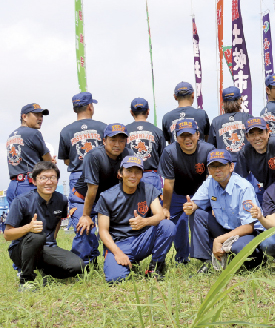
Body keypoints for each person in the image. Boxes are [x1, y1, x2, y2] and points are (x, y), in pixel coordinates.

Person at [5, 161, 83, 292]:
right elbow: (7, 235)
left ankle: (47, 272)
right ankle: (26, 281)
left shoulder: (61, 200)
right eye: (43, 178)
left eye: (52, 177)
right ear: (34, 181)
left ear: (57, 180)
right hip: (21, 250)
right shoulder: (22, 201)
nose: (48, 182)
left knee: (77, 266)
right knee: (37, 236)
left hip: (47, 247)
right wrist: (28, 228)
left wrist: (53, 238)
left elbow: (58, 221)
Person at [182, 149, 263, 272]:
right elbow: (196, 203)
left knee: (238, 248)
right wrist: (190, 207)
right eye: (213, 166)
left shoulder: (243, 187)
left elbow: (249, 227)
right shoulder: (210, 182)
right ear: (209, 170)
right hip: (224, 228)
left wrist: (219, 240)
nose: (217, 170)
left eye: (221, 165)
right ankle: (207, 262)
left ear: (231, 167)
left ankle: (256, 259)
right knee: (197, 214)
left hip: (246, 233)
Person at [97, 156, 174, 283]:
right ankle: (127, 261)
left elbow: (160, 215)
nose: (133, 175)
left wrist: (144, 222)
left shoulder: (148, 189)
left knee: (167, 225)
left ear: (141, 174)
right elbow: (103, 231)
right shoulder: (107, 197)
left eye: (137, 171)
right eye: (128, 171)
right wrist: (118, 253)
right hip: (119, 243)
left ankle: (155, 267)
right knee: (115, 279)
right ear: (120, 173)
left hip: (141, 240)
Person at [71, 123, 133, 266]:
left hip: (106, 201)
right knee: (85, 228)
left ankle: (111, 261)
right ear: (104, 141)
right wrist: (86, 216)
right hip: (83, 199)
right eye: (113, 140)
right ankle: (82, 266)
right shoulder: (94, 156)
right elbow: (92, 189)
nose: (117, 144)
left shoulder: (128, 155)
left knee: (117, 228)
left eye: (121, 140)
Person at [158, 119, 215, 264]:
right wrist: (165, 208)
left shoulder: (208, 150)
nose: (187, 139)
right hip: (178, 193)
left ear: (198, 134)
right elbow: (169, 183)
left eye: (190, 135)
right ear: (176, 138)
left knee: (203, 220)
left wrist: (212, 203)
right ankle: (180, 258)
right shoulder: (169, 152)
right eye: (182, 136)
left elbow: (211, 181)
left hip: (200, 193)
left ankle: (208, 257)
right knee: (175, 224)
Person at [58, 92, 106, 233]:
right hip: (101, 175)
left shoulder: (66, 131)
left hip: (78, 175)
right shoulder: (103, 127)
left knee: (82, 222)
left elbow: (67, 160)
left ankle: (87, 253)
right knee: (108, 219)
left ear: (74, 109)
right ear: (90, 106)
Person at [6, 103, 55, 206]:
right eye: (36, 115)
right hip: (28, 184)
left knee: (16, 221)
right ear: (24, 117)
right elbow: (48, 161)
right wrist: (52, 162)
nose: (40, 118)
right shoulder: (33, 133)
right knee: (36, 220)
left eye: (41, 116)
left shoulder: (11, 136)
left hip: (13, 186)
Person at [235, 118, 275, 204]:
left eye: (260, 133)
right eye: (252, 134)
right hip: (265, 191)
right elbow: (239, 180)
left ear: (268, 132)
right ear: (247, 137)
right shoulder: (245, 152)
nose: (257, 138)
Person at [126, 98, 165, 193]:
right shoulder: (157, 131)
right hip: (151, 175)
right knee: (154, 206)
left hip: (130, 176)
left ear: (131, 112)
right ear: (148, 111)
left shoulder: (124, 131)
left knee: (132, 206)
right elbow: (163, 157)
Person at [207, 86, 252, 157]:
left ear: (223, 103)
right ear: (240, 100)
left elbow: (211, 147)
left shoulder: (216, 121)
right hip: (245, 163)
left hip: (224, 164)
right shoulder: (248, 118)